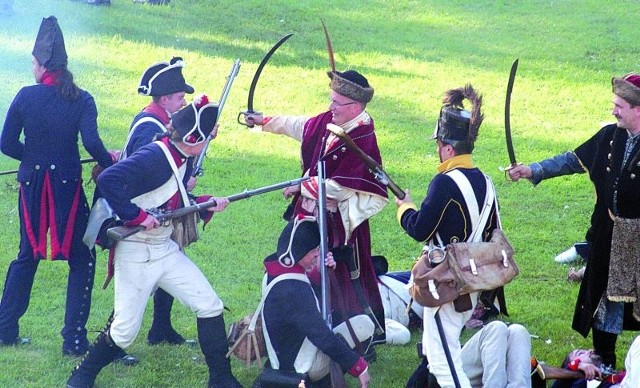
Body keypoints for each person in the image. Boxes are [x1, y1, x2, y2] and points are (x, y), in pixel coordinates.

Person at [66, 96, 241, 388]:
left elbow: (173, 201)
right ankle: (81, 376)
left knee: (209, 305)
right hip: (136, 252)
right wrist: (135, 216)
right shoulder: (155, 156)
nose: (210, 139)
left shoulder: (180, 157)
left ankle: (222, 379)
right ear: (192, 138)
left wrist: (205, 203)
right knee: (123, 333)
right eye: (206, 136)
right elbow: (108, 179)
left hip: (163, 248)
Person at [242, 68, 389, 353]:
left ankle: (358, 344)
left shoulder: (362, 135)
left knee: (342, 281)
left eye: (337, 102)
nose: (330, 106)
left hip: (339, 224)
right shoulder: (330, 119)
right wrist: (265, 121)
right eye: (331, 100)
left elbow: (345, 186)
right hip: (311, 214)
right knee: (295, 263)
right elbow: (301, 126)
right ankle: (300, 327)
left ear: (355, 106)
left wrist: (302, 187)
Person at [396, 85, 532, 387]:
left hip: (445, 282)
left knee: (444, 363)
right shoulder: (485, 181)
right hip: (475, 280)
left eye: (439, 145)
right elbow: (492, 234)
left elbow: (420, 229)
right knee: (436, 352)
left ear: (447, 148)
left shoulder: (443, 183)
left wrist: (404, 207)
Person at [0, 16, 116, 356]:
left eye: (33, 63)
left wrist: (31, 158)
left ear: (40, 66)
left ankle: (5, 331)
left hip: (32, 185)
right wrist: (111, 164)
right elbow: (93, 143)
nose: (32, 68)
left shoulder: (25, 96)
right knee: (82, 257)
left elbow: (6, 144)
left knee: (26, 256)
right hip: (66, 187)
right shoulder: (82, 98)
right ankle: (74, 340)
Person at [507, 73, 640, 368]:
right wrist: (533, 170)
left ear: (638, 109)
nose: (614, 110)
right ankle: (604, 359)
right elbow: (572, 160)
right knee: (605, 301)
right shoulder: (609, 136)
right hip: (609, 235)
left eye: (619, 105)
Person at [124, 56, 196, 346]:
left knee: (170, 261)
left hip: (162, 208)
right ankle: (113, 341)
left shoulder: (163, 119)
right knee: (135, 282)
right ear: (164, 98)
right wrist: (180, 182)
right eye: (179, 97)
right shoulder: (148, 125)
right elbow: (145, 171)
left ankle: (161, 328)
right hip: (141, 212)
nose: (182, 102)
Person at [259, 214, 371, 387]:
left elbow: (307, 307)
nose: (318, 254)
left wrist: (321, 273)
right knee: (364, 325)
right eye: (314, 251)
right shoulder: (293, 289)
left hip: (287, 353)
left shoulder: (276, 271)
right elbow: (321, 336)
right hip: (299, 365)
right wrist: (358, 367)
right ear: (298, 251)